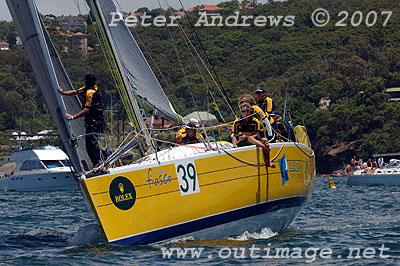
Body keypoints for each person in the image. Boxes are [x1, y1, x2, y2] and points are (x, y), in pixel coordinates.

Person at [58, 73, 106, 168]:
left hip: (95, 122)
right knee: (88, 145)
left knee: (92, 143)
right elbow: (76, 92)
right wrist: (63, 92)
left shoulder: (90, 93)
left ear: (87, 81)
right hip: (91, 122)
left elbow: (87, 110)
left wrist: (73, 117)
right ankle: (96, 164)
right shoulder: (88, 88)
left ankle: (106, 158)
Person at [231, 103, 275, 168]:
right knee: (251, 139)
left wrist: (249, 137)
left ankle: (268, 162)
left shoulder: (255, 121)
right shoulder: (237, 122)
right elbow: (234, 135)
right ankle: (265, 147)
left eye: (244, 111)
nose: (242, 113)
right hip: (241, 141)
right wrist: (234, 145)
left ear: (249, 112)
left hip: (252, 139)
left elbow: (257, 133)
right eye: (242, 111)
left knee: (265, 140)